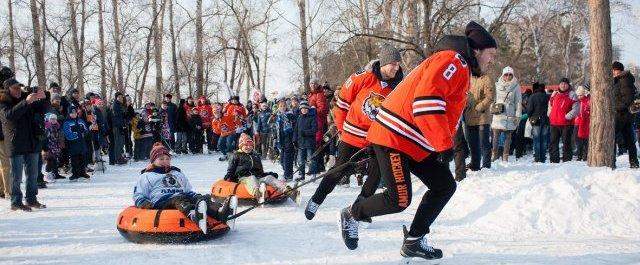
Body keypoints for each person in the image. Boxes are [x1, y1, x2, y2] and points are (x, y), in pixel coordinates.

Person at [338, 21, 497, 260]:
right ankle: (352, 213)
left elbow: (439, 107)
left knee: (444, 185)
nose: (492, 61)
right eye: (491, 54)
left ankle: (414, 240)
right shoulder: (455, 61)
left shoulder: (457, 65)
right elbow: (427, 101)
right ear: (477, 50)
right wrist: (444, 145)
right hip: (395, 136)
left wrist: (439, 143)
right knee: (399, 199)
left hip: (412, 140)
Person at [306, 44, 404, 220]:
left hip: (378, 138)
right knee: (339, 170)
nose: (397, 68)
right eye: (393, 64)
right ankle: (316, 199)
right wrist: (342, 129)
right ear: (384, 62)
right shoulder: (363, 77)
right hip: (352, 134)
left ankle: (361, 207)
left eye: (398, 65)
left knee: (377, 172)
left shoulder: (399, 85)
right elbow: (342, 103)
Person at [133, 142, 235, 233]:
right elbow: (138, 194)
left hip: (181, 195)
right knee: (178, 199)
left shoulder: (177, 173)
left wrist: (197, 196)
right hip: (162, 201)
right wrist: (143, 203)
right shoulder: (147, 175)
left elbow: (187, 190)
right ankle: (194, 215)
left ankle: (220, 212)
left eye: (168, 159)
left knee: (202, 198)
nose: (165, 161)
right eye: (161, 159)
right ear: (153, 161)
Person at [0, 79, 49, 211]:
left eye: (19, 87)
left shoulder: (26, 99)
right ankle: (16, 202)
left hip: (31, 142)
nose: (18, 90)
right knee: (16, 176)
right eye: (15, 88)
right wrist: (26, 102)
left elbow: (42, 110)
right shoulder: (3, 102)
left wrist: (43, 98)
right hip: (15, 143)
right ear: (8, 89)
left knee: (33, 175)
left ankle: (31, 199)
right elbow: (9, 116)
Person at [224, 133, 298, 202]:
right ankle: (258, 194)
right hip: (243, 178)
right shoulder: (236, 155)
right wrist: (229, 176)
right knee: (252, 177)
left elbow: (260, 171)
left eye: (250, 145)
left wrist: (268, 174)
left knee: (269, 177)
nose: (248, 147)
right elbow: (231, 168)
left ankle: (288, 191)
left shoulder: (255, 156)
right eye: (246, 145)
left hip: (258, 177)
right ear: (241, 146)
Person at [464, 67, 494, 170]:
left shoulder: (486, 79)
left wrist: (480, 106)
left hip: (482, 116)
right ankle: (475, 164)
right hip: (469, 116)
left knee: (484, 142)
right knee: (472, 142)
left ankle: (486, 165)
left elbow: (490, 96)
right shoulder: (468, 78)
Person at [490, 66, 522, 162]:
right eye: (506, 74)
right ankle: (494, 155)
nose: (508, 76)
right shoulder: (496, 85)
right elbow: (492, 99)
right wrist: (491, 109)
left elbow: (518, 102)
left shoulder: (516, 86)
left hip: (509, 114)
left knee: (508, 137)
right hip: (498, 113)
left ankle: (505, 156)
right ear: (503, 75)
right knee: (495, 136)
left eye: (510, 74)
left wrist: (518, 116)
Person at [612, 61, 639, 168]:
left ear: (618, 70)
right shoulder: (620, 80)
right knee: (629, 140)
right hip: (625, 115)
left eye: (614, 70)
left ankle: (611, 161)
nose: (613, 72)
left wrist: (614, 107)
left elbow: (627, 99)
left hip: (622, 114)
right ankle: (634, 162)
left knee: (612, 137)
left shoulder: (624, 80)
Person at [548, 78, 579, 163]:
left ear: (568, 85)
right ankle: (554, 161)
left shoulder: (572, 94)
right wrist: (550, 114)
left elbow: (576, 109)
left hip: (566, 124)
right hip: (554, 122)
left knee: (567, 143)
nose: (563, 85)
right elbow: (550, 105)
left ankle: (567, 161)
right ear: (559, 85)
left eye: (565, 84)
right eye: (561, 83)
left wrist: (567, 117)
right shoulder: (554, 93)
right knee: (553, 143)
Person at [63, 106, 90, 181]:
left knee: (82, 159)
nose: (74, 114)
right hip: (73, 144)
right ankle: (75, 174)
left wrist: (84, 133)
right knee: (75, 160)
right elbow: (67, 134)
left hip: (81, 143)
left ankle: (82, 172)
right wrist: (78, 134)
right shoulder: (67, 122)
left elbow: (85, 129)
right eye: (72, 113)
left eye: (75, 113)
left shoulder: (80, 120)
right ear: (69, 114)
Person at [294, 101, 317, 181]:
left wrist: (305, 133)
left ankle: (313, 174)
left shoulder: (312, 117)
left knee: (310, 159)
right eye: (302, 109)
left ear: (308, 109)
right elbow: (296, 130)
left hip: (310, 143)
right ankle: (302, 175)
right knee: (300, 160)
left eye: (305, 108)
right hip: (300, 143)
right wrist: (294, 139)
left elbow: (314, 130)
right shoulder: (299, 118)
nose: (303, 110)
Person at [274, 100, 296, 180]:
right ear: (278, 107)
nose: (282, 107)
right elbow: (275, 128)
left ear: (286, 106)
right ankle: (287, 172)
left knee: (287, 159)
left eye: (284, 106)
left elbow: (295, 125)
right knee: (282, 160)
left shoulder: (290, 115)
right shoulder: (277, 116)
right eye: (281, 106)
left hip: (288, 138)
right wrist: (275, 138)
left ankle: (288, 176)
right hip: (281, 139)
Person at [43, 113, 65, 182]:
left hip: (55, 146)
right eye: (52, 119)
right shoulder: (47, 127)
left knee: (55, 160)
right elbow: (46, 138)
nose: (53, 120)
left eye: (55, 119)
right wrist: (46, 146)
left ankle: (55, 174)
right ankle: (47, 176)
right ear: (49, 120)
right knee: (50, 160)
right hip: (49, 146)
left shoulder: (57, 126)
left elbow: (58, 136)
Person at [574, 85, 591, 161]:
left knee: (585, 140)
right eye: (578, 95)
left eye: (581, 95)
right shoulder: (576, 101)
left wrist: (586, 114)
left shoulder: (587, 101)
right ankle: (579, 154)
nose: (579, 96)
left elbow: (589, 110)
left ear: (584, 94)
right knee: (577, 140)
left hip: (585, 123)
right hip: (577, 123)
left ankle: (585, 155)